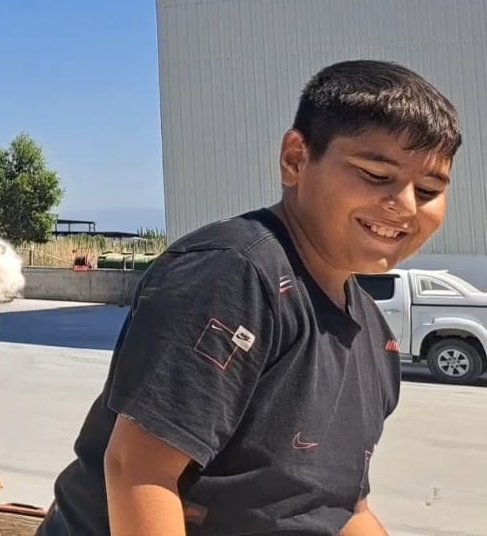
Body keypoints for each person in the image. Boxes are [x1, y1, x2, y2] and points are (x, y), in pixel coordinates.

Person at [37, 59, 461, 535]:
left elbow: (345, 511)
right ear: (296, 159)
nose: (404, 205)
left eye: (428, 189)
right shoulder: (234, 274)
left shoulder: (372, 337)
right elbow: (139, 471)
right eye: (375, 175)